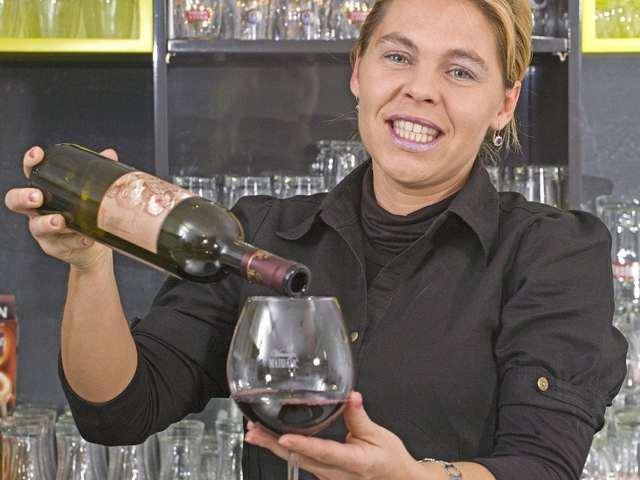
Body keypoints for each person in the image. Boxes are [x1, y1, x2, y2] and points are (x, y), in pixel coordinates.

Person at [4, 0, 628, 478]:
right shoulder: (261, 234)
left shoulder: (552, 253)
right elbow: (119, 411)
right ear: (358, 70)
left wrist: (414, 478)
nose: (420, 89)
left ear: (505, 103)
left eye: (460, 71)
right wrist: (89, 266)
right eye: (397, 57)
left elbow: (543, 465)